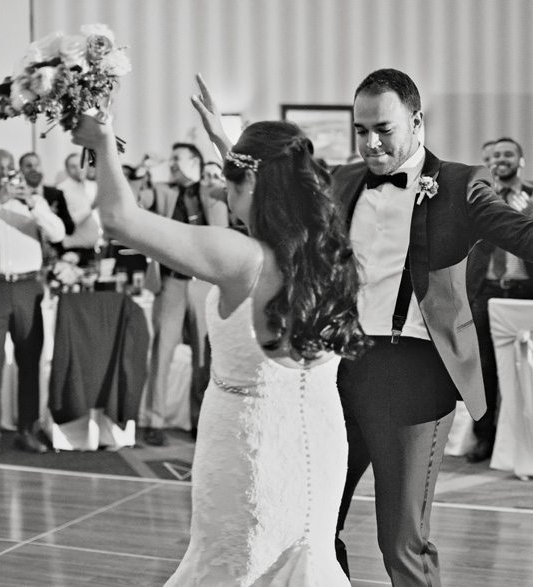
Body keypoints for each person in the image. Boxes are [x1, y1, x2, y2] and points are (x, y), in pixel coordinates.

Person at [330, 68, 533, 587]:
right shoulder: (345, 180)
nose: (371, 142)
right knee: (312, 521)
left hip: (413, 372)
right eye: (361, 130)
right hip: (338, 367)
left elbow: (520, 229)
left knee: (400, 540)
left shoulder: (456, 184)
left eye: (383, 128)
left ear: (417, 122)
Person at [72, 89, 368, 585]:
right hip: (317, 441)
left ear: (247, 182)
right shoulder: (327, 251)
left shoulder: (240, 258)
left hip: (248, 446)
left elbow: (119, 221)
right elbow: (257, 190)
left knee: (238, 564)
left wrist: (102, 143)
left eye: (227, 182)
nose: (221, 194)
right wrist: (226, 145)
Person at [0, 149, 66, 460]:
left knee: (30, 364)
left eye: (8, 167)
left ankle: (27, 431)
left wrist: (32, 203)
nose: (3, 172)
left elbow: (58, 233)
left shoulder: (34, 202)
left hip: (27, 288)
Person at [464, 137, 533, 464]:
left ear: (521, 160)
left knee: (527, 368)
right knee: (484, 368)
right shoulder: (478, 196)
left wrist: (530, 215)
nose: (502, 159)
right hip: (486, 290)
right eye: (496, 155)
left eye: (508, 154)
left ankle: (528, 437)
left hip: (527, 292)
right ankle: (484, 437)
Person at [137, 142, 228, 445]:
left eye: (178, 158)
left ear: (195, 162)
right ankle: (153, 420)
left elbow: (221, 233)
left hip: (204, 284)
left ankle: (199, 420)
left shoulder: (214, 192)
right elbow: (134, 202)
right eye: (172, 158)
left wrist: (210, 191)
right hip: (171, 282)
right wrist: (142, 171)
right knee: (161, 352)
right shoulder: (162, 190)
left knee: (204, 358)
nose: (172, 163)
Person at [19, 152, 76, 266]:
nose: (33, 169)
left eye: (37, 165)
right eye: (29, 166)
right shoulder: (18, 197)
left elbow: (70, 228)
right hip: (28, 257)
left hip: (54, 256)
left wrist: (48, 215)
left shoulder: (55, 194)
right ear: (21, 169)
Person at [57, 152, 101, 265]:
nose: (78, 169)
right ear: (67, 169)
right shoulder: (61, 191)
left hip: (94, 250)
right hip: (73, 252)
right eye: (73, 166)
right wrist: (92, 206)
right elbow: (69, 222)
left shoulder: (91, 186)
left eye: (81, 164)